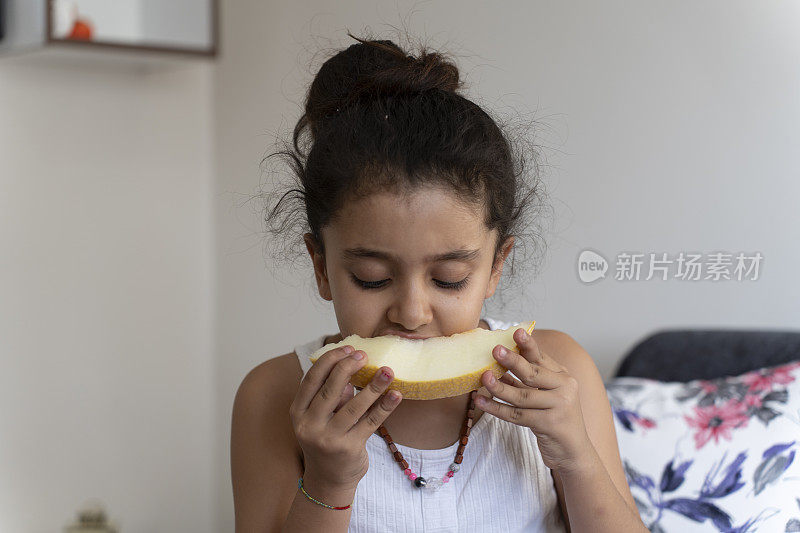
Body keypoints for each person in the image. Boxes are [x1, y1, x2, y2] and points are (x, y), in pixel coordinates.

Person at [230, 32, 648, 533]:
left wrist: (575, 456)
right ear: (321, 265)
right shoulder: (275, 396)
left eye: (449, 280)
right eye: (372, 278)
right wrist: (328, 483)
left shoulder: (560, 370)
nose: (411, 311)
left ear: (496, 267)